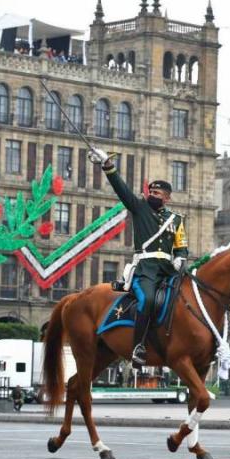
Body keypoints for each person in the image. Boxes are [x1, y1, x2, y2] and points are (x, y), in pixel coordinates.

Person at [89, 147, 188, 368]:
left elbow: (181, 246)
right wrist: (108, 167)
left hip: (169, 270)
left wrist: (180, 258)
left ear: (167, 197)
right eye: (150, 193)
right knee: (148, 299)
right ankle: (138, 347)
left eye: (157, 194)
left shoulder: (176, 219)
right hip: (146, 269)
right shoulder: (140, 208)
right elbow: (122, 190)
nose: (152, 196)